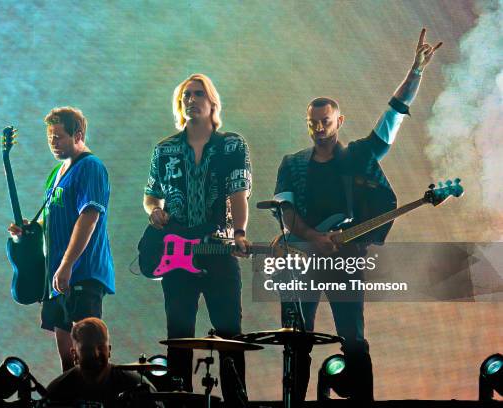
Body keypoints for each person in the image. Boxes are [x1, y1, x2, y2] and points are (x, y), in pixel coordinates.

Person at [273, 29, 442, 400]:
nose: (319, 128)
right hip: (303, 260)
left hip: (344, 260)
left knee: (353, 339)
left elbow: (393, 115)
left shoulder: (357, 157)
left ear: (339, 121)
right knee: (298, 341)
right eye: (313, 122)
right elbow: (285, 211)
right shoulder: (293, 163)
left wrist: (415, 72)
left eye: (326, 121)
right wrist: (315, 239)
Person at [143, 73, 252, 404]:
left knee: (229, 335)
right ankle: (179, 401)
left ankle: (236, 401)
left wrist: (240, 233)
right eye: (185, 95)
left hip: (218, 251)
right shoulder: (164, 150)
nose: (191, 99)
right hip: (177, 256)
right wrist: (154, 211)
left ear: (212, 102)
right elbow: (151, 195)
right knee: (178, 337)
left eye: (198, 94)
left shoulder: (232, 145)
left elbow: (239, 193)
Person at [8, 107, 114, 372]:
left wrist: (67, 265)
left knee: (90, 360)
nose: (53, 142)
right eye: (50, 137)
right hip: (57, 279)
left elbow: (89, 218)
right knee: (69, 366)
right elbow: (50, 219)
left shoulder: (91, 167)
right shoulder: (55, 175)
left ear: (78, 135)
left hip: (82, 274)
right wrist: (28, 229)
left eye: (59, 136)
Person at [46, 317, 159, 407]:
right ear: (74, 354)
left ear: (109, 350)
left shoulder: (134, 384)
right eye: (87, 348)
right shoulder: (57, 391)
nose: (95, 354)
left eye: (100, 347)